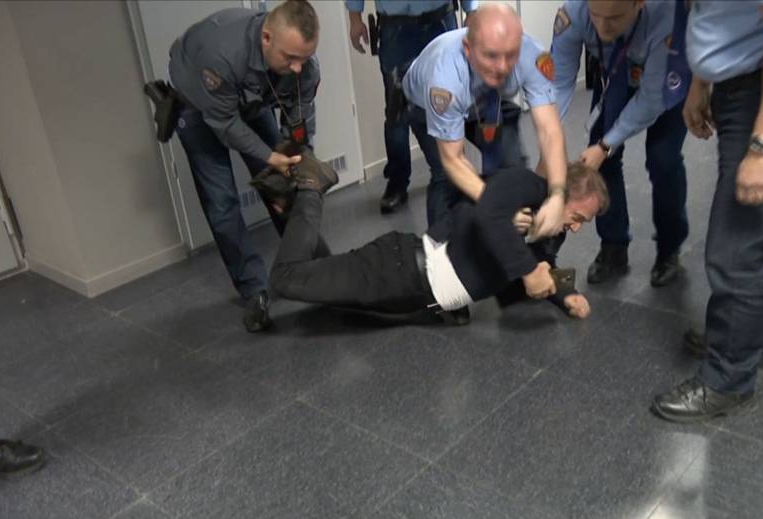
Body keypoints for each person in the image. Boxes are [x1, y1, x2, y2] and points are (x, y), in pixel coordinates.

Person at [652, 0, 763, 422]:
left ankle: (727, 379)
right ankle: (756, 344)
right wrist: (701, 81)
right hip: (741, 82)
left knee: (738, 247)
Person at [258, 161, 608, 323]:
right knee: (286, 278)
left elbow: (539, 267)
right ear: (563, 195)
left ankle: (291, 209)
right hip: (398, 270)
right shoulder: (524, 184)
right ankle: (309, 188)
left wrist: (565, 296)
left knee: (323, 287)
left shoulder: (552, 231)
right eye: (578, 217)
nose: (576, 228)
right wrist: (515, 233)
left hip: (411, 298)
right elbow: (475, 213)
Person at [168, 0, 324, 332]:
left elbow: (299, 125)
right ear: (266, 38)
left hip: (249, 98)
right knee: (222, 202)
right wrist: (270, 158)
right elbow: (224, 124)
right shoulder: (221, 53)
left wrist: (293, 167)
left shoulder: (302, 67)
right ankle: (254, 289)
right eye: (290, 58)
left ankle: (311, 267)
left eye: (305, 58)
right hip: (198, 107)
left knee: (284, 181)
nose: (298, 68)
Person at [550, 0, 691, 287]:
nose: (603, 28)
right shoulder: (574, 11)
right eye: (597, 16)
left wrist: (606, 145)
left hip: (664, 79)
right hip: (614, 74)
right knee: (601, 164)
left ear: (639, 3)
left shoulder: (666, 15)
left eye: (614, 18)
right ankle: (613, 246)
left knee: (663, 159)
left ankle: (669, 248)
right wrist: (551, 136)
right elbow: (560, 82)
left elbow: (651, 99)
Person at [401, 3, 569, 238]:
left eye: (511, 55)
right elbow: (453, 160)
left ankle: (510, 243)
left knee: (511, 165)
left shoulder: (532, 55)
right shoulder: (445, 79)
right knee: (445, 178)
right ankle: (440, 248)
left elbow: (550, 132)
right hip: (425, 105)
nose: (502, 67)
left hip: (486, 101)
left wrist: (558, 195)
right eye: (491, 56)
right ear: (468, 49)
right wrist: (499, 208)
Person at [346, 0, 477, 220]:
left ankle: (451, 173)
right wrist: (354, 17)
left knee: (447, 102)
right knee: (397, 111)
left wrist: (471, 10)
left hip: (439, 21)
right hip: (395, 28)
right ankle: (398, 182)